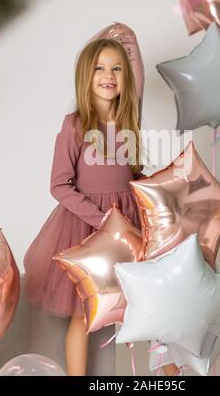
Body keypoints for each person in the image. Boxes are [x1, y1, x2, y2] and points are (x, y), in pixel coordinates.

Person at [23, 37, 145, 376]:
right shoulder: (74, 124)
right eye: (100, 68)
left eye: (117, 68)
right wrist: (104, 219)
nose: (109, 75)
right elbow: (59, 185)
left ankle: (167, 375)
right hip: (87, 229)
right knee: (83, 314)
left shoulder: (127, 122)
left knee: (148, 300)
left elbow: (131, 171)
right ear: (86, 76)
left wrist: (131, 44)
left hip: (127, 226)